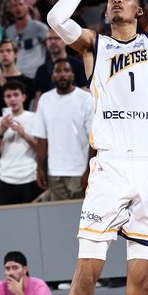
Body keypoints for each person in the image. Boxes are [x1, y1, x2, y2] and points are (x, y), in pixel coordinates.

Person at [46, 0, 148, 295]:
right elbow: (56, 19)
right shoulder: (93, 46)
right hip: (111, 167)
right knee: (87, 276)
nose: (117, 0)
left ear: (138, 8)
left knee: (142, 281)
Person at [34, 58, 94, 201]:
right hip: (54, 172)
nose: (62, 74)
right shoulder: (45, 99)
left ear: (72, 75)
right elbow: (42, 139)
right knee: (59, 219)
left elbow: (94, 138)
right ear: (52, 76)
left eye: (66, 70)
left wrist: (89, 171)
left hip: (80, 171)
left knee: (81, 219)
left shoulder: (85, 99)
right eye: (58, 71)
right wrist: (40, 168)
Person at [0, 81, 40, 204]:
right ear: (4, 99)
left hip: (30, 177)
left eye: (16, 95)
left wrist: (23, 133)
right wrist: (1, 130)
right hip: (6, 178)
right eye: (8, 96)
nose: (12, 99)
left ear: (23, 97)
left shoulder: (34, 118)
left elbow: (41, 150)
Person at [0, 40, 35, 118]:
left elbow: (13, 98)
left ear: (16, 54)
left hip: (19, 124)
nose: (5, 54)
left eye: (8, 51)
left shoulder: (26, 81)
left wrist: (1, 78)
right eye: (1, 51)